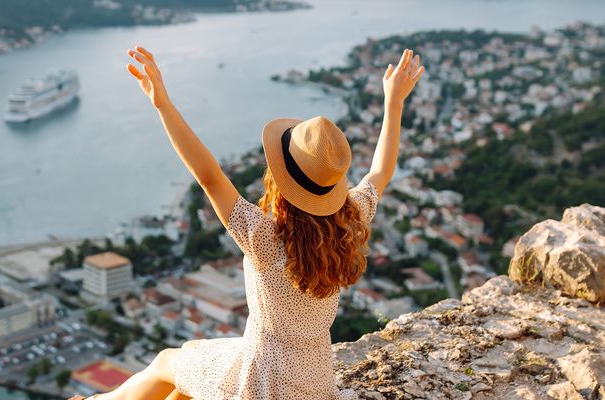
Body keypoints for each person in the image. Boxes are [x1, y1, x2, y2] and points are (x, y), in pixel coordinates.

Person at [71, 46, 424, 400]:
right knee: (185, 384)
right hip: (314, 383)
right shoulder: (350, 221)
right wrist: (394, 103)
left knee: (167, 361)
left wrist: (162, 103)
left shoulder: (264, 238)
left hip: (260, 380)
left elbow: (209, 176)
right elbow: (381, 172)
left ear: (280, 177)